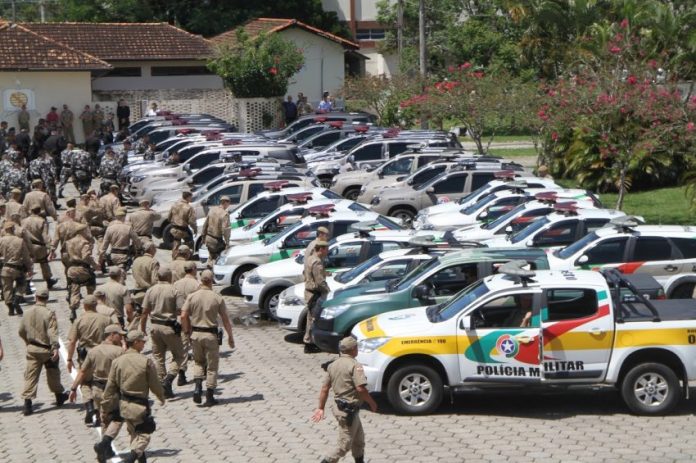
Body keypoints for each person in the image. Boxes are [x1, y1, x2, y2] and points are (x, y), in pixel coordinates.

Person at [101, 330, 165, 463]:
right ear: (135, 342)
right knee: (144, 436)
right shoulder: (145, 361)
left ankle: (141, 460)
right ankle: (130, 459)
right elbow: (154, 383)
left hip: (124, 404)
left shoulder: (117, 362)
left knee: (133, 433)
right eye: (142, 342)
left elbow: (110, 385)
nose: (143, 344)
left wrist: (105, 405)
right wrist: (161, 397)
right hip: (140, 406)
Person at [311, 337, 377, 463]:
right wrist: (372, 402)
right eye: (357, 347)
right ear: (353, 350)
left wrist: (320, 408)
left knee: (358, 440)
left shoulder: (333, 365)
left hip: (342, 408)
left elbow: (325, 388)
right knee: (344, 446)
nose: (357, 350)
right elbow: (360, 388)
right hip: (348, 412)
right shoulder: (354, 365)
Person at [69, 324, 125, 463]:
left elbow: (82, 371)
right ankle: (104, 445)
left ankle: (105, 449)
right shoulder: (119, 351)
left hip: (97, 390)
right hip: (112, 390)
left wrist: (73, 388)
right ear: (111, 335)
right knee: (118, 418)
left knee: (104, 418)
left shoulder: (93, 351)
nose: (122, 337)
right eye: (119, 334)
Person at [180, 270, 234, 406]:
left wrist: (187, 330)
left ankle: (198, 387)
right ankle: (209, 395)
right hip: (211, 335)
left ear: (201, 279)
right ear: (211, 280)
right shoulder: (217, 297)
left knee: (198, 362)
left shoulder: (192, 296)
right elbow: (226, 319)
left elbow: (183, 315)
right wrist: (230, 337)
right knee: (212, 366)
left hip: (196, 334)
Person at [18, 287, 70, 416]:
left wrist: (27, 342)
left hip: (32, 349)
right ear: (46, 299)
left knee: (31, 375)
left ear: (36, 297)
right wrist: (55, 348)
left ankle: (27, 404)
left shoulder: (27, 312)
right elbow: (53, 333)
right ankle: (59, 396)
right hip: (46, 350)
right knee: (53, 373)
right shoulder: (49, 313)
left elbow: (21, 331)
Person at [140, 267, 186, 399]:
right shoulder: (174, 290)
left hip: (154, 326)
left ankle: (162, 384)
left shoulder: (150, 290)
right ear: (169, 277)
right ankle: (169, 379)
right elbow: (179, 311)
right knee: (179, 355)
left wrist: (142, 328)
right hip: (169, 327)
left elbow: (144, 312)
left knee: (159, 356)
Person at [66, 295, 112, 423]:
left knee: (85, 382)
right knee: (100, 382)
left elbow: (72, 341)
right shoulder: (106, 319)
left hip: (86, 356)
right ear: (95, 305)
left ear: (84, 306)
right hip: (103, 354)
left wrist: (69, 360)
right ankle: (98, 413)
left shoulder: (79, 320)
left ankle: (89, 404)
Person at [173, 260, 199, 386]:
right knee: (197, 346)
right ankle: (200, 371)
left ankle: (181, 373)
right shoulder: (196, 284)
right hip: (194, 318)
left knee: (183, 348)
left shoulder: (176, 283)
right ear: (193, 269)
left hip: (180, 318)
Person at [65, 223, 99, 320]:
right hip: (83, 268)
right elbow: (86, 257)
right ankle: (90, 303)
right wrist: (95, 265)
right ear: (83, 231)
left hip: (72, 268)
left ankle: (73, 309)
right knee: (91, 283)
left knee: (74, 288)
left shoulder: (69, 242)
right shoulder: (84, 242)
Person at [0, 222, 32, 316]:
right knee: (22, 284)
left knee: (7, 289)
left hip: (5, 268)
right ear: (13, 228)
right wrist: (29, 268)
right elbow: (26, 257)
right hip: (18, 268)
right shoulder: (20, 241)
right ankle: (17, 300)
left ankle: (10, 307)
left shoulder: (1, 241)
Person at [303, 240, 330, 353]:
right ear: (322, 249)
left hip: (309, 292)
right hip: (315, 294)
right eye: (326, 249)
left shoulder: (310, 259)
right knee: (314, 318)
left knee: (311, 318)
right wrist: (328, 291)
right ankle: (310, 344)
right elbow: (320, 282)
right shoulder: (317, 262)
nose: (327, 252)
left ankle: (308, 342)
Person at [22, 205, 57, 288]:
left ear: (31, 211)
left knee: (28, 265)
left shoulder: (23, 221)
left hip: (27, 246)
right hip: (39, 246)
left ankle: (27, 284)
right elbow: (45, 235)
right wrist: (50, 247)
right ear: (39, 211)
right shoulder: (41, 221)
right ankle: (48, 280)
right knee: (44, 263)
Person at [130, 241, 160, 330]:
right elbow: (154, 281)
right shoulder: (153, 262)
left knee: (137, 315)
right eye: (155, 248)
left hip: (137, 291)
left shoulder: (136, 260)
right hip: (148, 293)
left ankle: (131, 333)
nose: (156, 250)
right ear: (151, 249)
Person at [200, 195, 231, 268]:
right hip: (216, 241)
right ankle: (214, 273)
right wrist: (227, 243)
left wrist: (203, 236)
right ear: (226, 203)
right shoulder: (224, 214)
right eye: (229, 203)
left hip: (208, 238)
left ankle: (208, 272)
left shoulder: (212, 210)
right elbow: (225, 230)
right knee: (219, 258)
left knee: (211, 256)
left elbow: (205, 224)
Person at [167, 191, 197, 259]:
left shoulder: (174, 205)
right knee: (189, 242)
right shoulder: (189, 207)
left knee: (176, 243)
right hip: (183, 229)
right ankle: (186, 257)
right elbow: (192, 221)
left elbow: (169, 217)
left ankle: (174, 258)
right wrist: (195, 229)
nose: (191, 199)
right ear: (188, 197)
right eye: (191, 197)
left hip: (174, 228)